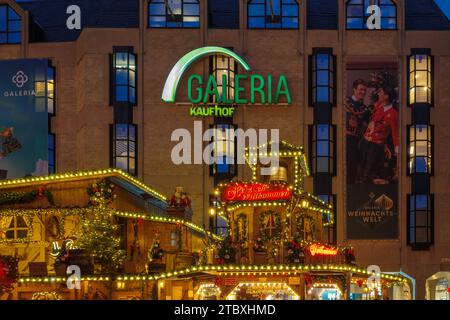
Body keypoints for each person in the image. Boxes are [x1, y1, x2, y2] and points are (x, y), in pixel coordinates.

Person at [359, 86, 399, 184]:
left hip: (376, 145)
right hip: (365, 141)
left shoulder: (393, 114)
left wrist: (397, 148)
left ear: (387, 96)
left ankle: (377, 185)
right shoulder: (377, 106)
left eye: (381, 92)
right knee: (361, 167)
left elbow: (395, 131)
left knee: (368, 171)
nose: (378, 94)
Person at [345, 80, 370, 184]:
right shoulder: (344, 102)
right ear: (354, 89)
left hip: (356, 141)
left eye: (364, 90)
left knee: (353, 165)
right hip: (344, 139)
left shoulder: (364, 108)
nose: (363, 92)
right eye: (360, 89)